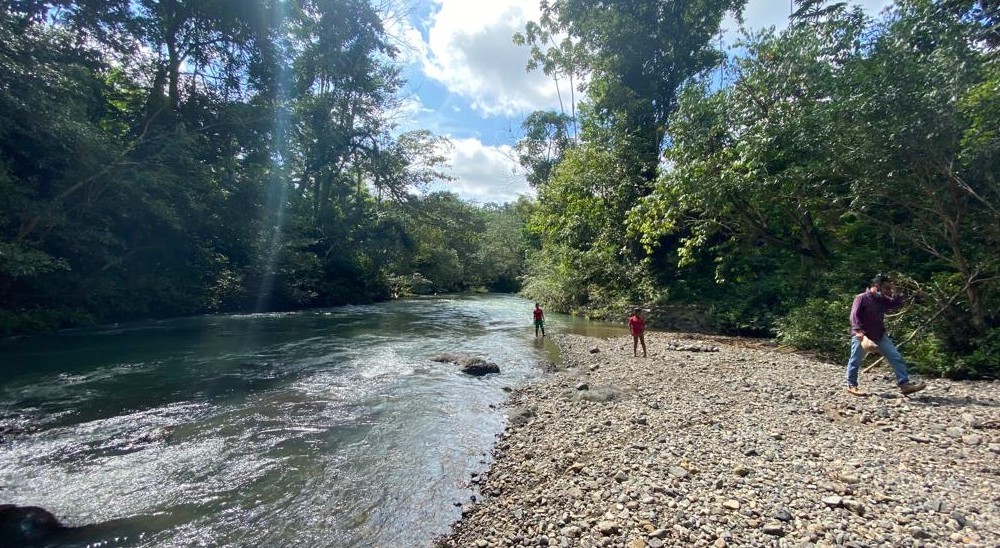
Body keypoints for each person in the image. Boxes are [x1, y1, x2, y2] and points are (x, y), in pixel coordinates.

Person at [845, 274, 926, 396]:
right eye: (886, 288)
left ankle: (904, 384)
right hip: (862, 335)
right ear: (877, 286)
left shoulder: (882, 300)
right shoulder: (861, 298)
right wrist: (858, 331)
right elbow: (854, 316)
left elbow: (895, 303)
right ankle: (852, 385)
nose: (889, 291)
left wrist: (898, 291)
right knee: (855, 360)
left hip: (879, 335)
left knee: (895, 357)